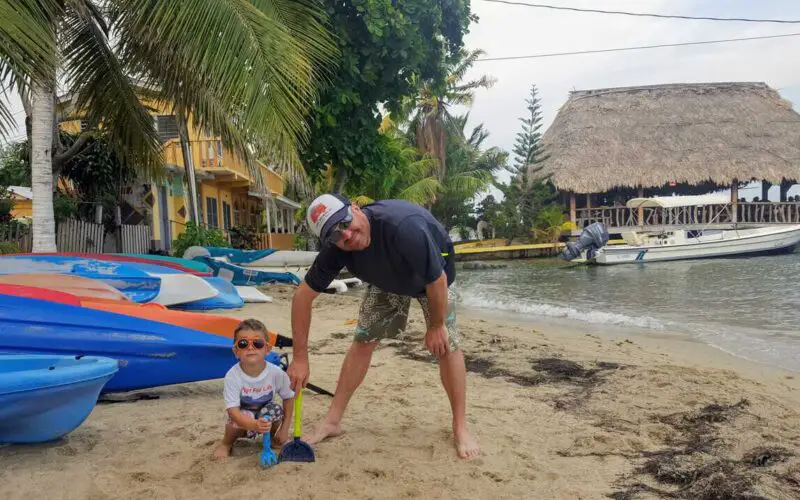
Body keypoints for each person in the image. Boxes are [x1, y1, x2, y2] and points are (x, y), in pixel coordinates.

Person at [286, 193, 480, 459]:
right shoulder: (338, 248)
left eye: (346, 222)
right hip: (387, 279)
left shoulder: (404, 228)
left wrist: (435, 326)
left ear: (354, 208)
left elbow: (437, 279)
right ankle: (332, 421)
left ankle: (460, 427)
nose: (347, 236)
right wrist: (299, 358)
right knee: (363, 340)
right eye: (334, 236)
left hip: (434, 278)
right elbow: (302, 297)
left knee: (447, 344)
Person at [212, 319, 295, 460]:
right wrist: (254, 425)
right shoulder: (232, 376)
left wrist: (284, 429)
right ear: (236, 350)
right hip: (244, 419)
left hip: (265, 417)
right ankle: (226, 443)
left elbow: (288, 396)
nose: (251, 348)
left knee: (275, 409)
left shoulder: (276, 373)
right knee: (235, 420)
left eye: (257, 343)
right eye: (243, 344)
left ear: (267, 349)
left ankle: (273, 438)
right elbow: (233, 411)